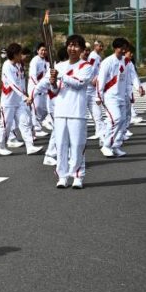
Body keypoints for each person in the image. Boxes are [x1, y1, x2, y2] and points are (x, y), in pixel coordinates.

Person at [45, 34, 94, 188]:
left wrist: (61, 76)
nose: (72, 48)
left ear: (81, 49)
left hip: (77, 112)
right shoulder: (59, 66)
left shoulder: (86, 66)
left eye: (76, 46)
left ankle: (78, 176)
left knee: (78, 145)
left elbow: (79, 83)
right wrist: (52, 82)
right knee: (60, 146)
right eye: (70, 45)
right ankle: (63, 176)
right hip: (60, 111)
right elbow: (55, 91)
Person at [0, 43, 43, 156]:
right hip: (8, 101)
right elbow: (12, 84)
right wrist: (25, 97)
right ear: (15, 55)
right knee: (6, 125)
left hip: (19, 101)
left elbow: (21, 83)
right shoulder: (7, 66)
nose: (21, 56)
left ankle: (30, 146)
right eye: (19, 54)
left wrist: (25, 96)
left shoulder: (18, 65)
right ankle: (0, 146)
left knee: (24, 122)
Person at [97, 37, 130, 158]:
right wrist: (98, 96)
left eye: (125, 49)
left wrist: (129, 94)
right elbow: (101, 80)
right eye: (122, 48)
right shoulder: (107, 62)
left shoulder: (124, 62)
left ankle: (116, 145)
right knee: (115, 119)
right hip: (110, 97)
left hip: (121, 96)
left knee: (122, 122)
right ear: (115, 48)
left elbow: (126, 80)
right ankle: (106, 146)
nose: (124, 51)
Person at [27, 42, 50, 137]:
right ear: (37, 51)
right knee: (36, 109)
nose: (43, 52)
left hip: (44, 89)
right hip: (35, 89)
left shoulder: (47, 61)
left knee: (44, 109)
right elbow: (32, 75)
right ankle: (37, 129)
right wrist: (37, 87)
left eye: (45, 50)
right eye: (42, 50)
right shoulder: (35, 60)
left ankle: (38, 126)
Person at [85, 40, 106, 142]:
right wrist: (92, 80)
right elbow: (91, 70)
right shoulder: (93, 57)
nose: (101, 48)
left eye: (102, 46)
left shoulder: (97, 57)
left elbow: (97, 71)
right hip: (87, 89)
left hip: (93, 89)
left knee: (97, 113)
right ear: (95, 46)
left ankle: (101, 133)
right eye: (99, 46)